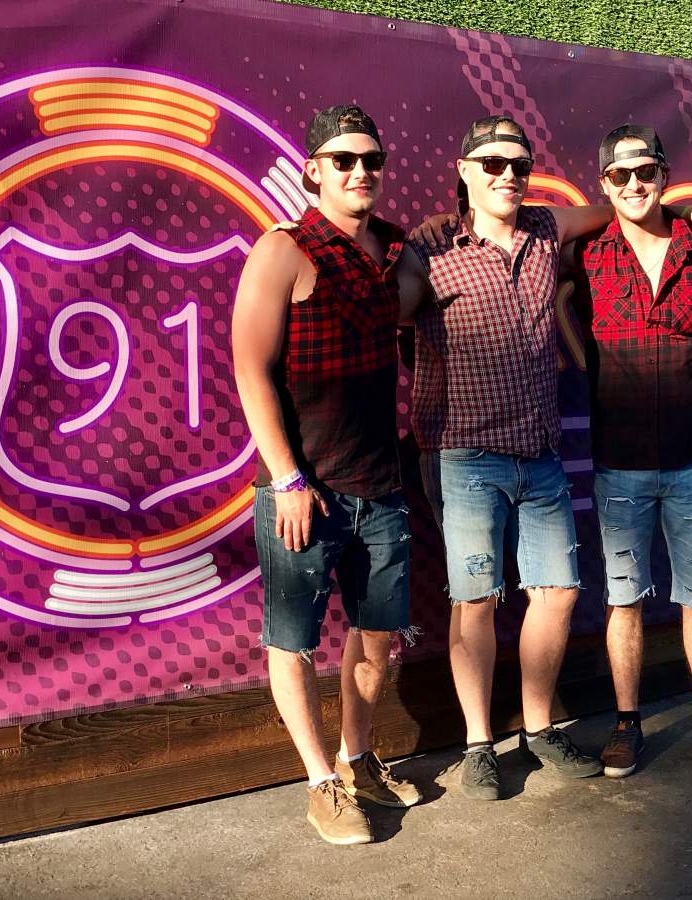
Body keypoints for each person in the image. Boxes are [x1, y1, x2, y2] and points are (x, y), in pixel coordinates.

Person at [401, 116, 692, 800]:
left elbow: (621, 205)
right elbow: (384, 318)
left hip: (541, 454)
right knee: (475, 603)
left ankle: (541, 725)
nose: (507, 175)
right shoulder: (429, 251)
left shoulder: (548, 232)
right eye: (490, 163)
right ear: (464, 171)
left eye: (518, 164)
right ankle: (478, 744)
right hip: (464, 456)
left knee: (557, 595)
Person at [232, 105, 420, 845]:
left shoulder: (395, 252)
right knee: (294, 642)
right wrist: (286, 478)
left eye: (370, 159)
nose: (359, 171)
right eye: (342, 160)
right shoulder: (283, 249)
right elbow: (250, 367)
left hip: (381, 487)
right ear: (314, 167)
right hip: (303, 491)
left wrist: (689, 215)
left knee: (377, 640)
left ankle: (357, 757)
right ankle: (320, 785)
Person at [571, 125, 692, 780]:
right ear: (604, 184)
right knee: (624, 600)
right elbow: (537, 244)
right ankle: (628, 724)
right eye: (618, 175)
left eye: (644, 171)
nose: (632, 184)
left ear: (664, 172)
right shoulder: (587, 253)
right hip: (618, 464)